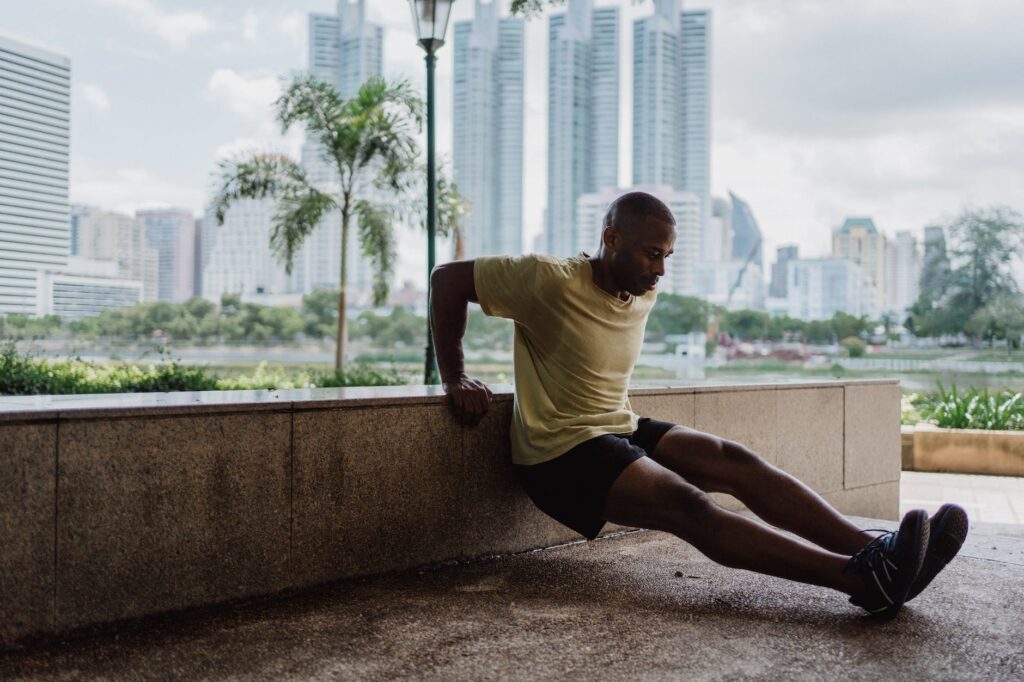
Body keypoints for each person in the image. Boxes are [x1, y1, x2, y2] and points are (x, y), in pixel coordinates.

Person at [429, 190, 967, 620]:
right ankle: (856, 578)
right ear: (610, 238)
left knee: (733, 460)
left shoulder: (641, 288)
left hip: (617, 426)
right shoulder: (547, 278)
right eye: (650, 253)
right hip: (558, 452)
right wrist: (454, 376)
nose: (660, 270)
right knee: (688, 504)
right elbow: (447, 281)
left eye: (666, 256)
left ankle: (882, 552)